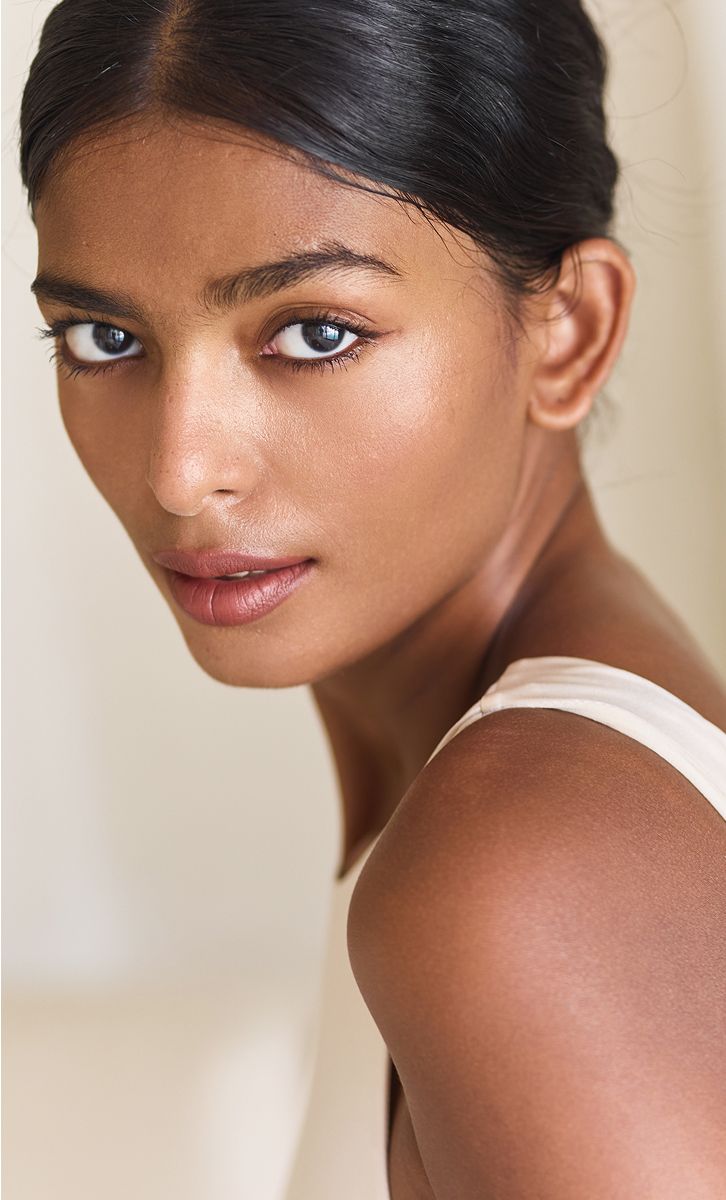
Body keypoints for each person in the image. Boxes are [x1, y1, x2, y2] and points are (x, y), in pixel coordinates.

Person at [19, 1, 726, 1196]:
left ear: (569, 334)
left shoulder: (518, 869)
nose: (179, 471)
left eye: (314, 331)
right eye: (100, 336)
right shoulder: (525, 791)